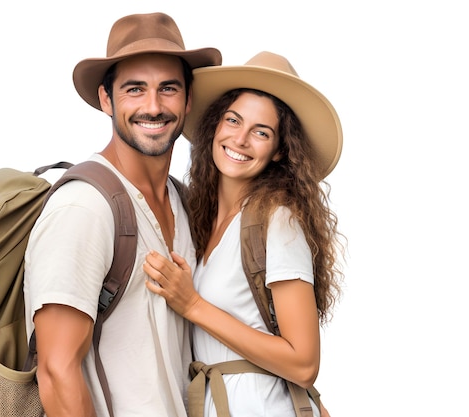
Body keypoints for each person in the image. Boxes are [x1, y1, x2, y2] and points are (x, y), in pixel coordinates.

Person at [23, 12, 221, 417]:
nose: (153, 106)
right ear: (106, 99)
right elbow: (56, 372)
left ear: (187, 100)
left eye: (168, 88)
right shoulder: (85, 208)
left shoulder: (182, 202)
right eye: (135, 89)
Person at [143, 51, 344, 417]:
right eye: (233, 120)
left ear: (281, 150)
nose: (240, 139)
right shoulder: (201, 220)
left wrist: (193, 305)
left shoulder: (277, 221)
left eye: (261, 132)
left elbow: (303, 363)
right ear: (216, 125)